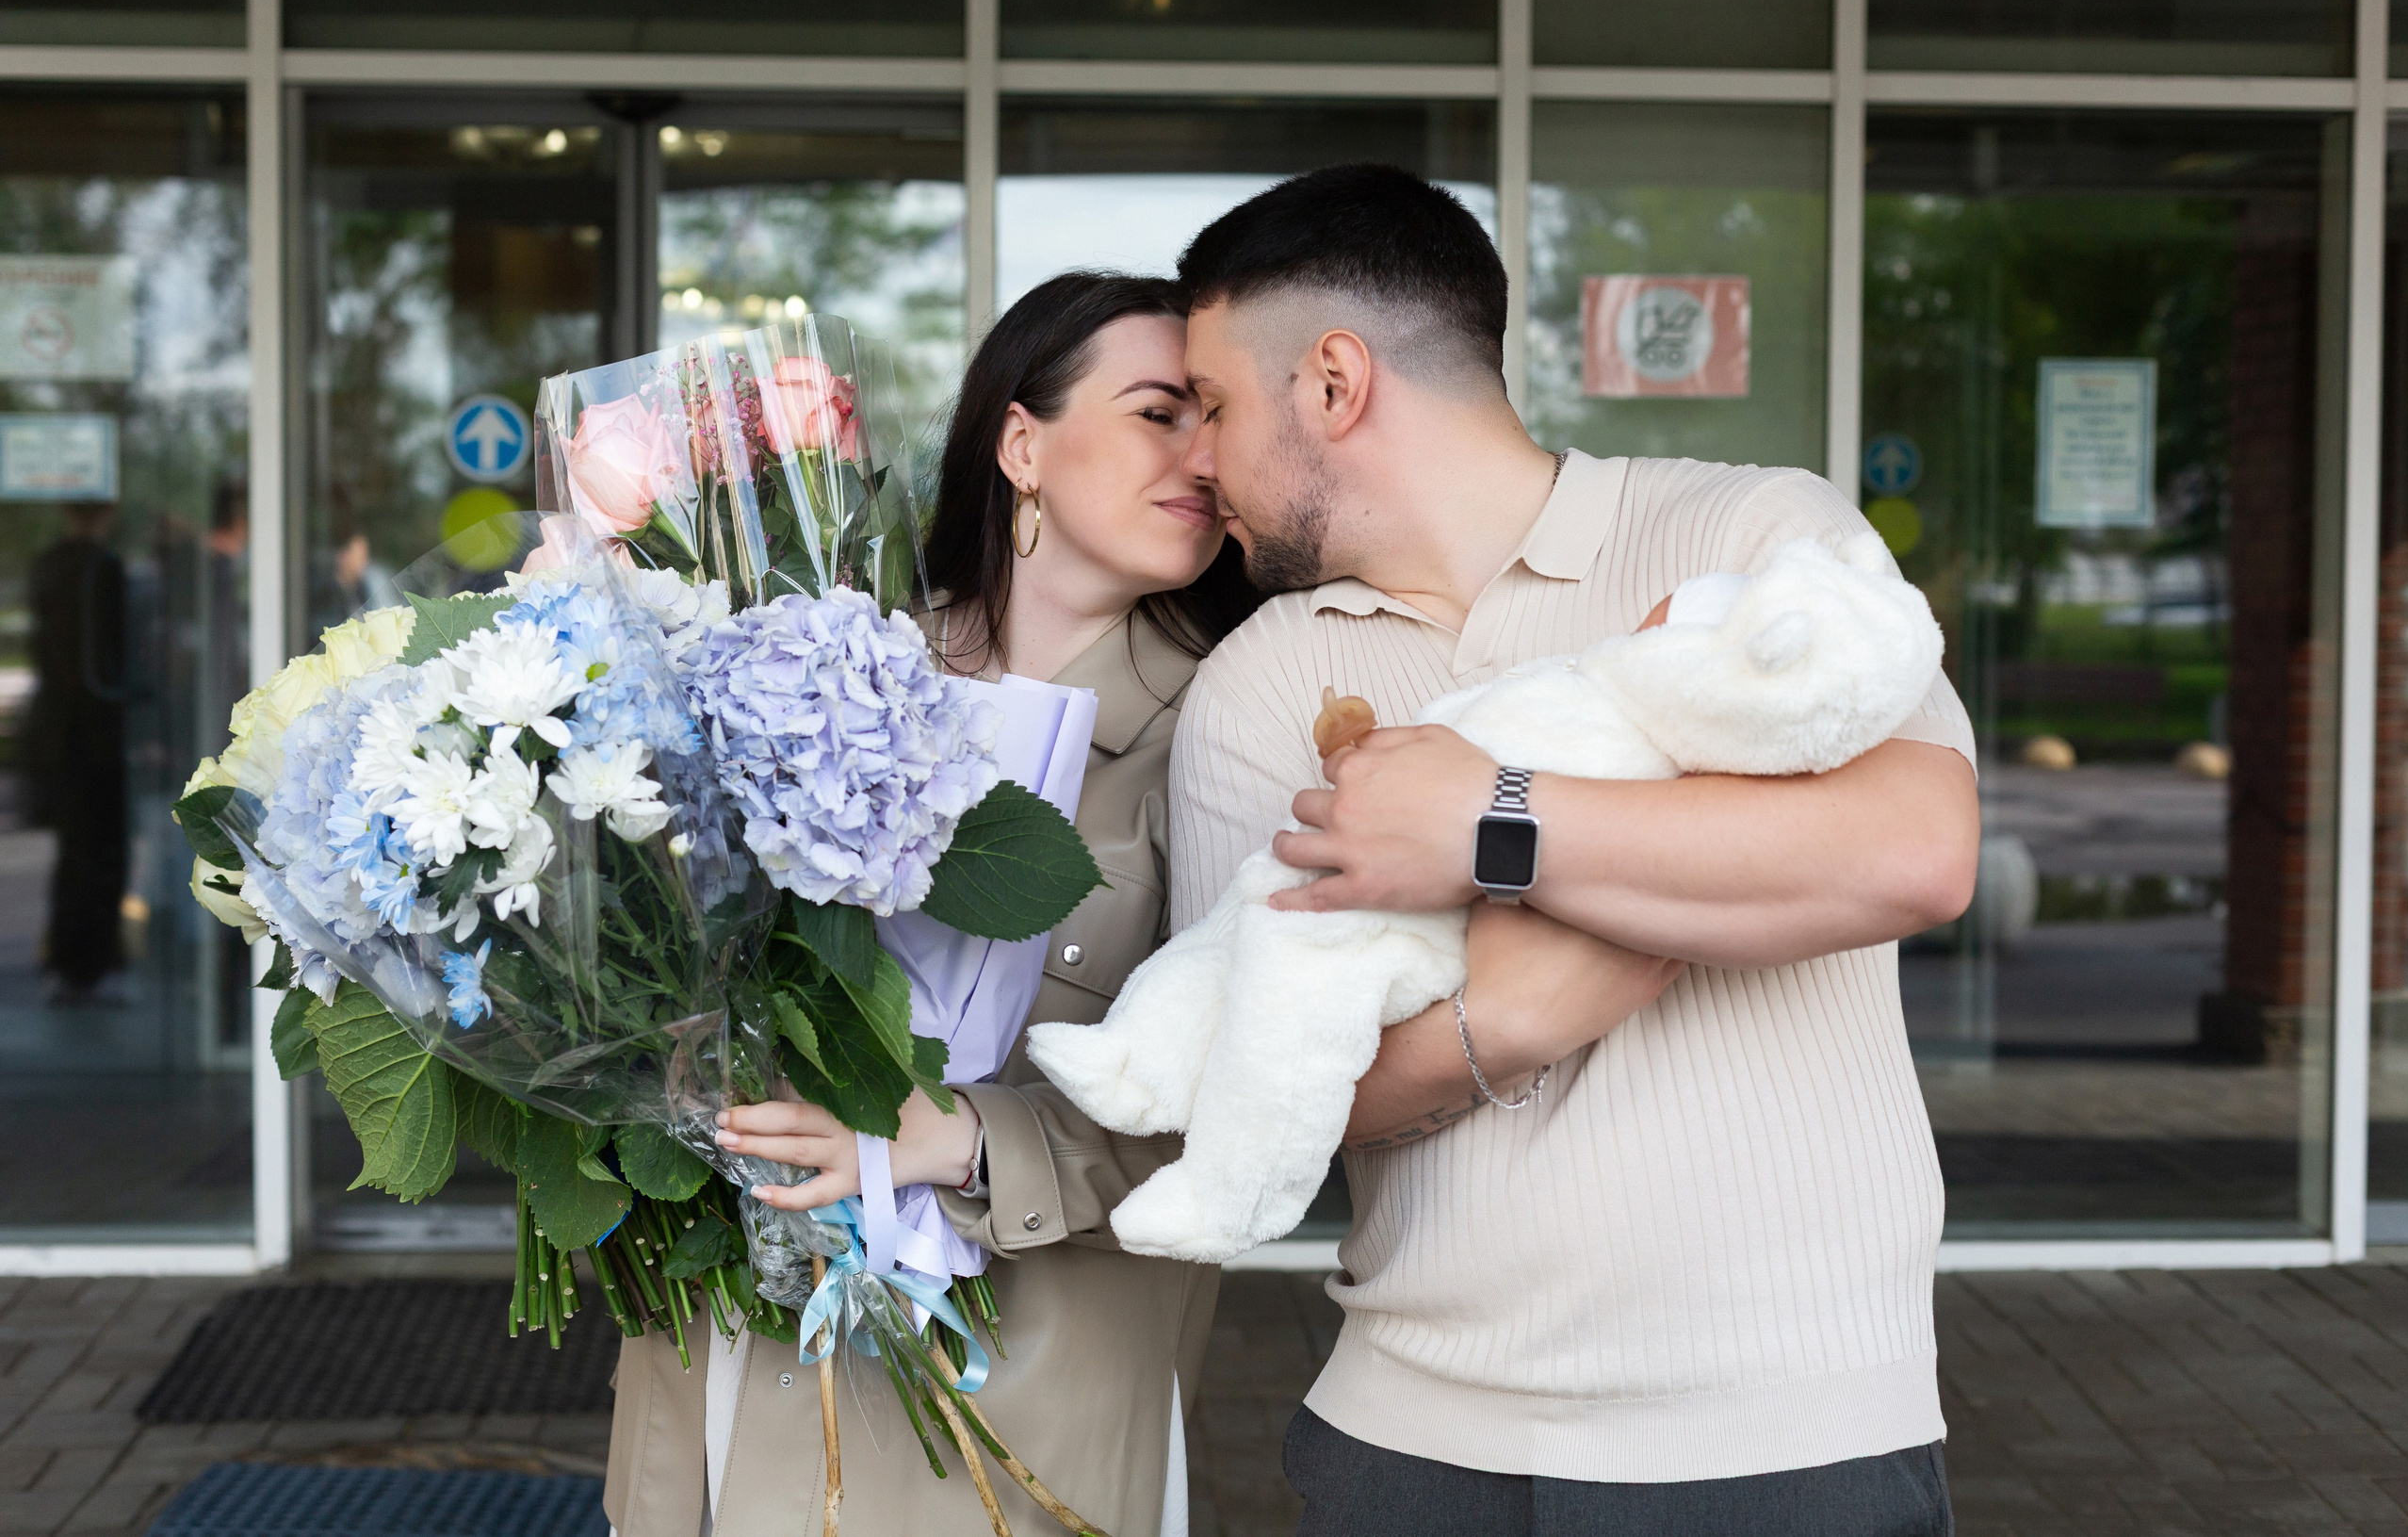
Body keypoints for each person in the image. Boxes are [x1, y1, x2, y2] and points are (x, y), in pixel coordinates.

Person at [1164, 165, 1979, 1535]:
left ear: (1333, 383)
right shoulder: (1261, 677)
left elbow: (1916, 849)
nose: (1195, 458)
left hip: (1793, 1433)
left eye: (1214, 406)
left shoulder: (1746, 534)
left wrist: (1492, 822)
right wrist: (1505, 1025)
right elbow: (1243, 1088)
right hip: (1413, 1445)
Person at [602, 272, 1258, 1537]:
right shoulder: (819, 657)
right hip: (743, 1348)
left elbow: (1241, 1096)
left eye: (1216, 418)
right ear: (1024, 443)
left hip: (1013, 1403)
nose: (1202, 454)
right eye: (1160, 411)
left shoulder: (1223, 724)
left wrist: (954, 1137)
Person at [23, 500, 128, 1006]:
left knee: (74, 850)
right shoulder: (100, 570)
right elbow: (112, 656)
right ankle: (87, 960)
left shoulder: (50, 567)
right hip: (94, 732)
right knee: (100, 849)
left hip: (57, 729)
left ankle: (69, 958)